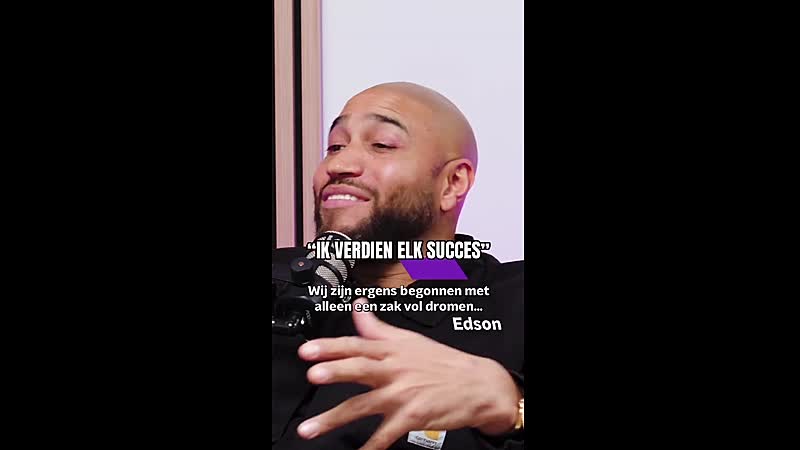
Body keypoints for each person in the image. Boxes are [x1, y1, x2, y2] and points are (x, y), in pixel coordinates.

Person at [272, 82, 524, 450]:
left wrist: (514, 407)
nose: (338, 165)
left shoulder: (512, 301)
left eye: (381, 145)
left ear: (452, 183)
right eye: (335, 146)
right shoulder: (282, 274)